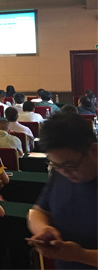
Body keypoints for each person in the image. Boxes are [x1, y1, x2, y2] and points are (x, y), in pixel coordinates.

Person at [27, 113, 97, 269]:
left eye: (70, 165)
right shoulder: (60, 174)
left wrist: (82, 255)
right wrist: (44, 229)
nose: (65, 172)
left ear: (94, 150)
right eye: (56, 165)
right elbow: (37, 212)